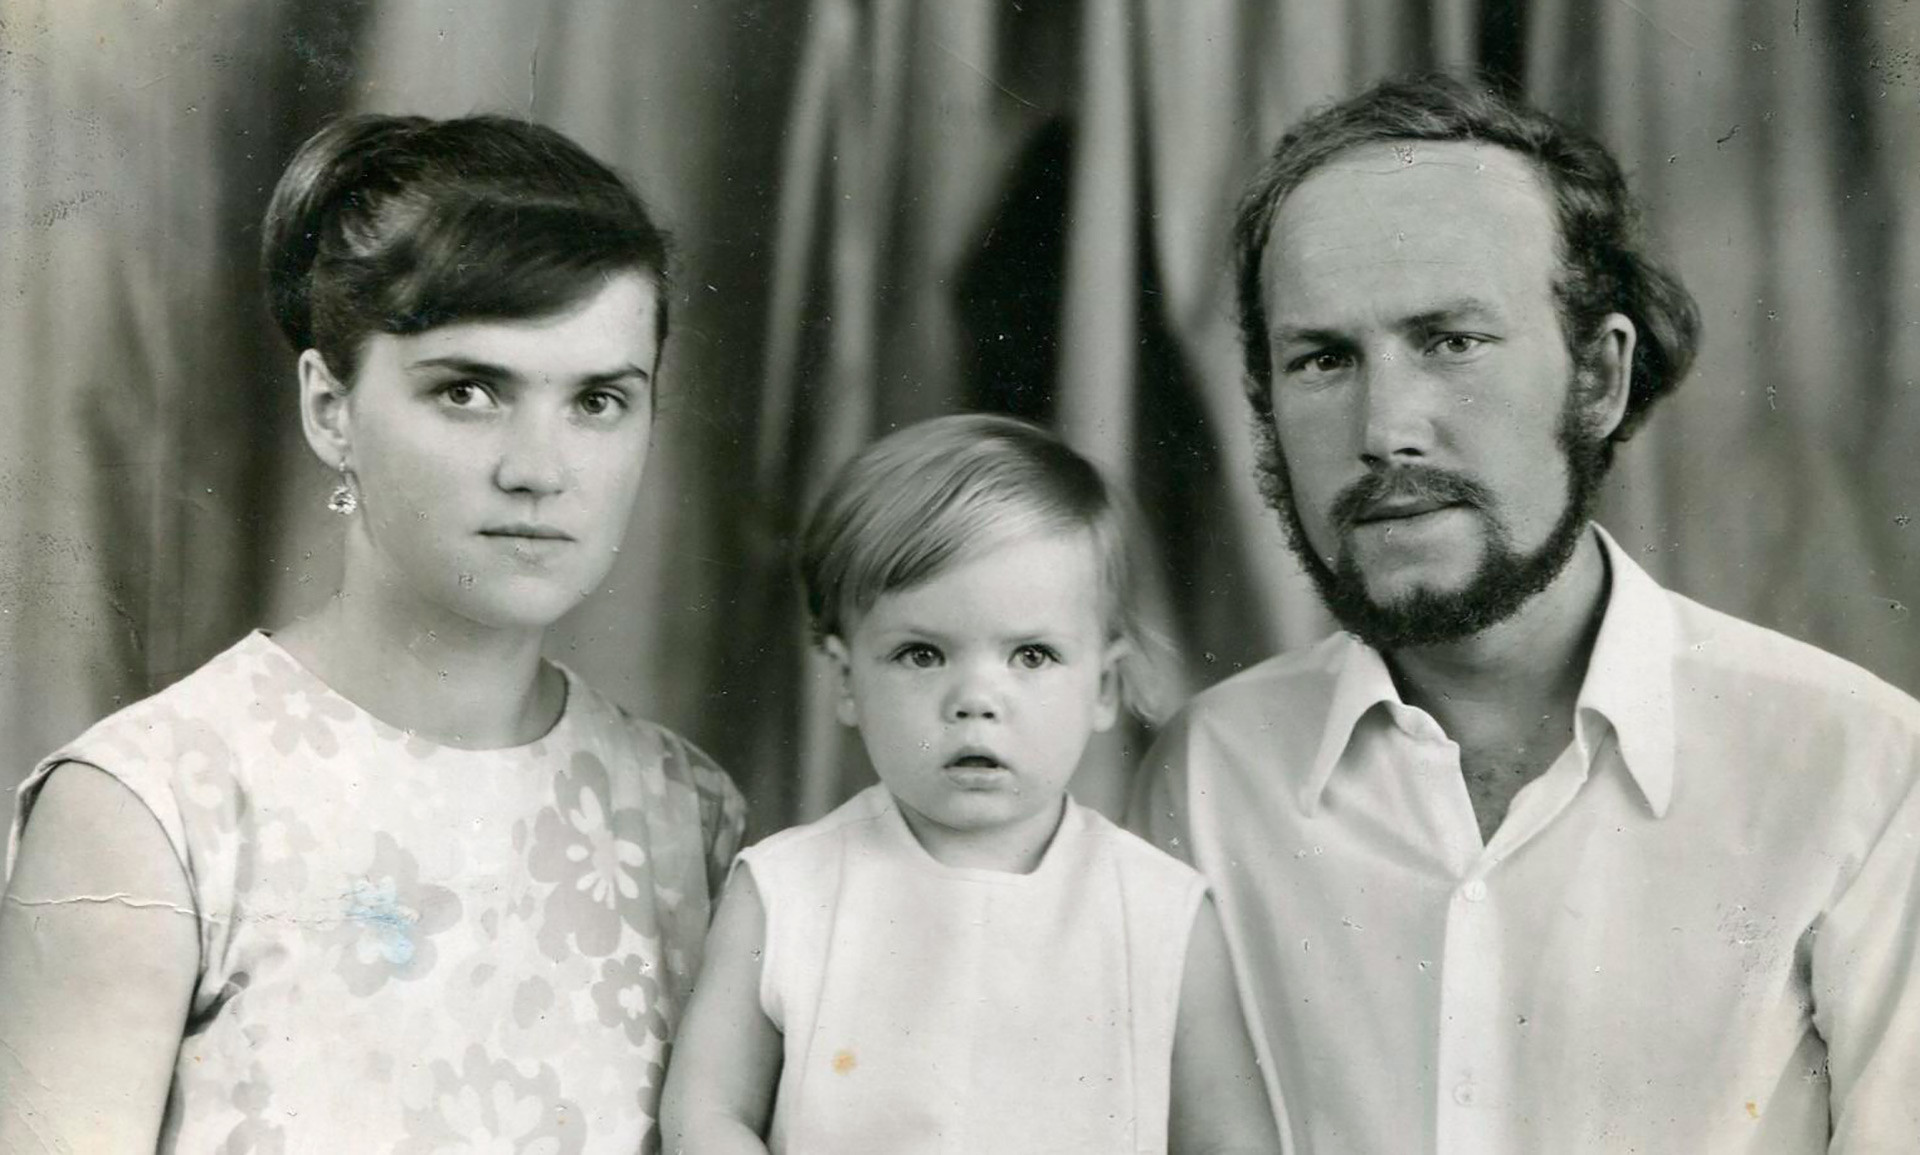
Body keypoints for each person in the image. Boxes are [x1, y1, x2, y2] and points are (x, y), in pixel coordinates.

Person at [1129, 73, 1920, 1153]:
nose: (1385, 430)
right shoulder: (1206, 775)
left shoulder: (1860, 769)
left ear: (1597, 378)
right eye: (1321, 360)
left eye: (1450, 341)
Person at [0, 114, 745, 1152]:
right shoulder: (154, 808)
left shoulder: (689, 821)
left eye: (598, 402)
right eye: (468, 391)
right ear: (329, 407)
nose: (539, 468)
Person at [661, 414, 1279, 1154]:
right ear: (846, 679)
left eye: (1032, 655)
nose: (977, 697)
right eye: (922, 654)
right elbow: (706, 1110)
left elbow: (1233, 1143)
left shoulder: (1158, 911)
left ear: (1106, 686)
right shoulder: (786, 889)